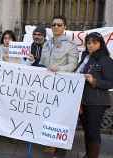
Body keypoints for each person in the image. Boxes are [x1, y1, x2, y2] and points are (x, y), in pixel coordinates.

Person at [36, 15, 79, 157]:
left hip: (62, 87)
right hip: (47, 86)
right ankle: (50, 143)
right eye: (54, 25)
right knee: (48, 114)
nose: (56, 27)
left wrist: (59, 69)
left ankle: (59, 148)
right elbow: (42, 63)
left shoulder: (71, 45)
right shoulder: (47, 44)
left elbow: (73, 65)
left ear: (65, 27)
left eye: (59, 25)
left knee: (60, 117)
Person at [75, 32, 113, 158]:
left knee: (93, 131)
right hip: (84, 100)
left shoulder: (106, 59)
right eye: (88, 42)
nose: (90, 45)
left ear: (100, 44)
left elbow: (110, 83)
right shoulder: (85, 57)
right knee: (87, 131)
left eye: (94, 42)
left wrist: (94, 81)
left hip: (97, 102)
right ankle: (88, 154)